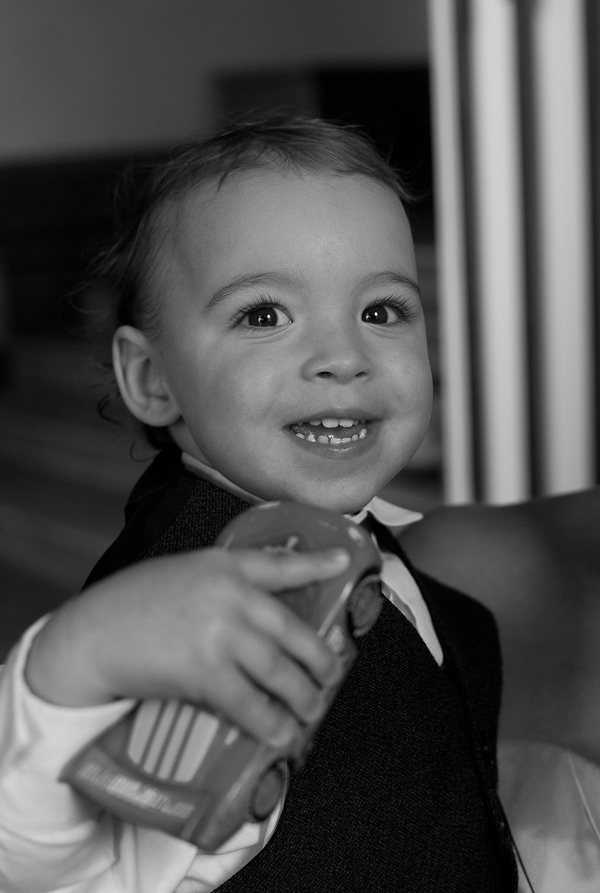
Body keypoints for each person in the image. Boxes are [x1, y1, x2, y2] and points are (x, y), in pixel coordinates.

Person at [0, 116, 594, 892]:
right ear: (152, 378)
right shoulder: (189, 611)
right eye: (263, 315)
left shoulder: (352, 533)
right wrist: (67, 663)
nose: (343, 358)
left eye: (381, 311)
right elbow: (56, 857)